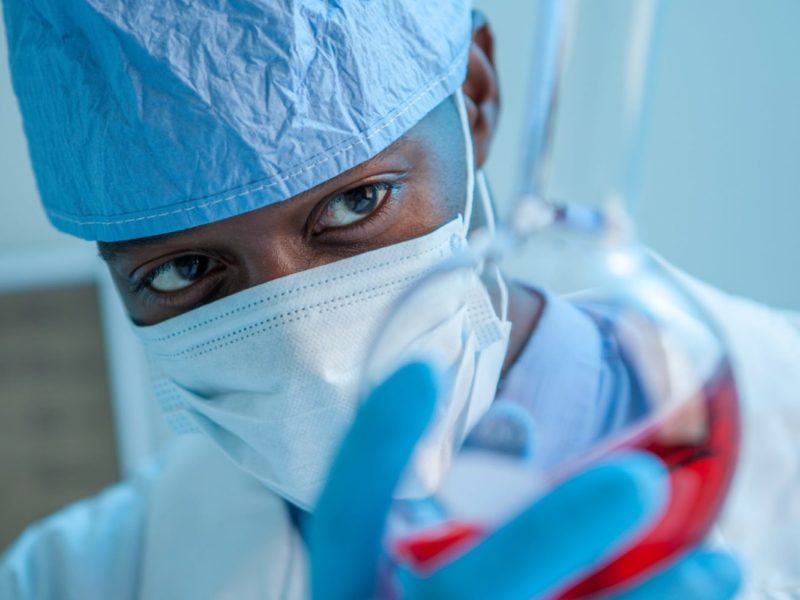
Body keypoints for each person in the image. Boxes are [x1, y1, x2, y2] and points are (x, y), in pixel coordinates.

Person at [1, 1, 798, 598]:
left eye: (356, 203)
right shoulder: (73, 578)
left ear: (476, 99)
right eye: (180, 271)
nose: (305, 353)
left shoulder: (769, 416)